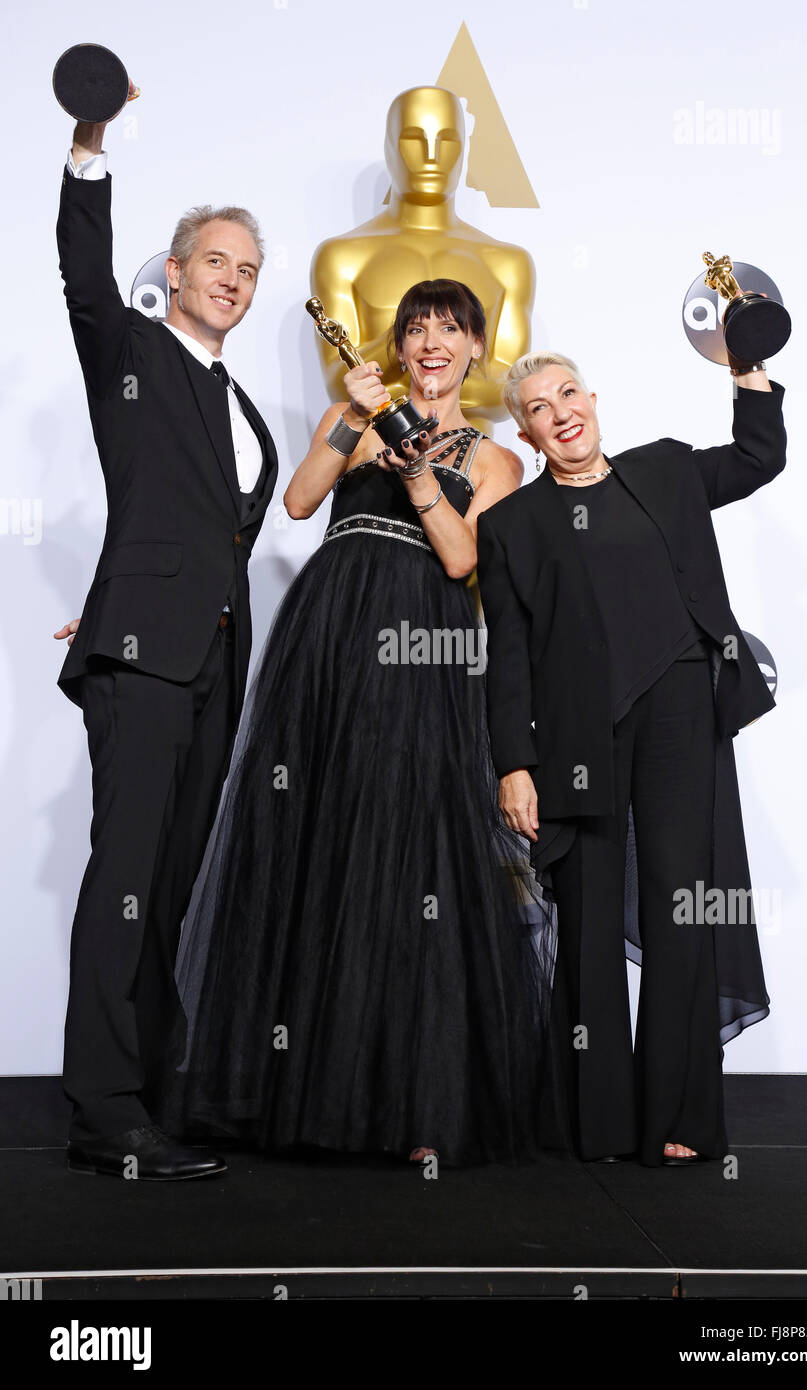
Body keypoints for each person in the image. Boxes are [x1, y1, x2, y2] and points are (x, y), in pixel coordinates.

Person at [139, 279, 554, 1166]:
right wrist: (352, 420)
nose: (432, 343)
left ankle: (412, 1103)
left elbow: (462, 560)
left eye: (450, 329)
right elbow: (296, 503)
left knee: (409, 858)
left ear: (477, 346)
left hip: (423, 653)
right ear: (398, 346)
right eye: (417, 329)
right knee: (312, 843)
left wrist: (416, 474)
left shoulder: (494, 461)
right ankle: (282, 1090)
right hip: (326, 640)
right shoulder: (351, 414)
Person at [476, 350, 786, 1168]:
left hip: (683, 710)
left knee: (682, 907)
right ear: (527, 431)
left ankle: (677, 1111)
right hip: (579, 736)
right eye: (541, 407)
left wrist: (748, 368)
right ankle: (598, 1120)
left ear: (592, 398)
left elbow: (760, 458)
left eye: (569, 393)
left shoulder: (667, 472)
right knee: (583, 921)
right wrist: (514, 763)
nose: (562, 412)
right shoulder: (512, 525)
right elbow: (506, 657)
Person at [54, 86, 279, 1180]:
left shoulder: (243, 408)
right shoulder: (130, 353)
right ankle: (104, 1112)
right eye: (217, 261)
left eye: (249, 268)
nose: (233, 278)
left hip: (212, 667)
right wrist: (91, 147)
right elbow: (84, 280)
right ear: (177, 268)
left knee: (176, 888)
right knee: (127, 876)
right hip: (141, 666)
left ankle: (147, 1098)